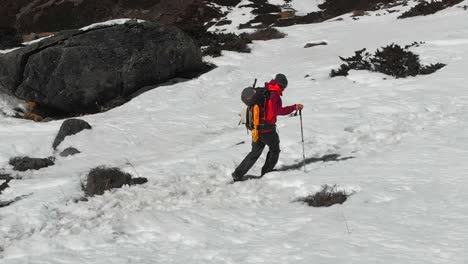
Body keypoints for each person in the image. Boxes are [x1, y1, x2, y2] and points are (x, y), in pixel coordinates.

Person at [232, 73, 304, 181]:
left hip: (257, 128)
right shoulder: (274, 95)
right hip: (267, 129)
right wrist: (294, 107)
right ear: (281, 85)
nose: (284, 89)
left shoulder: (265, 90)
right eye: (284, 87)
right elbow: (278, 111)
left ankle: (238, 173)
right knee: (275, 149)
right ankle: (267, 171)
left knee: (255, 152)